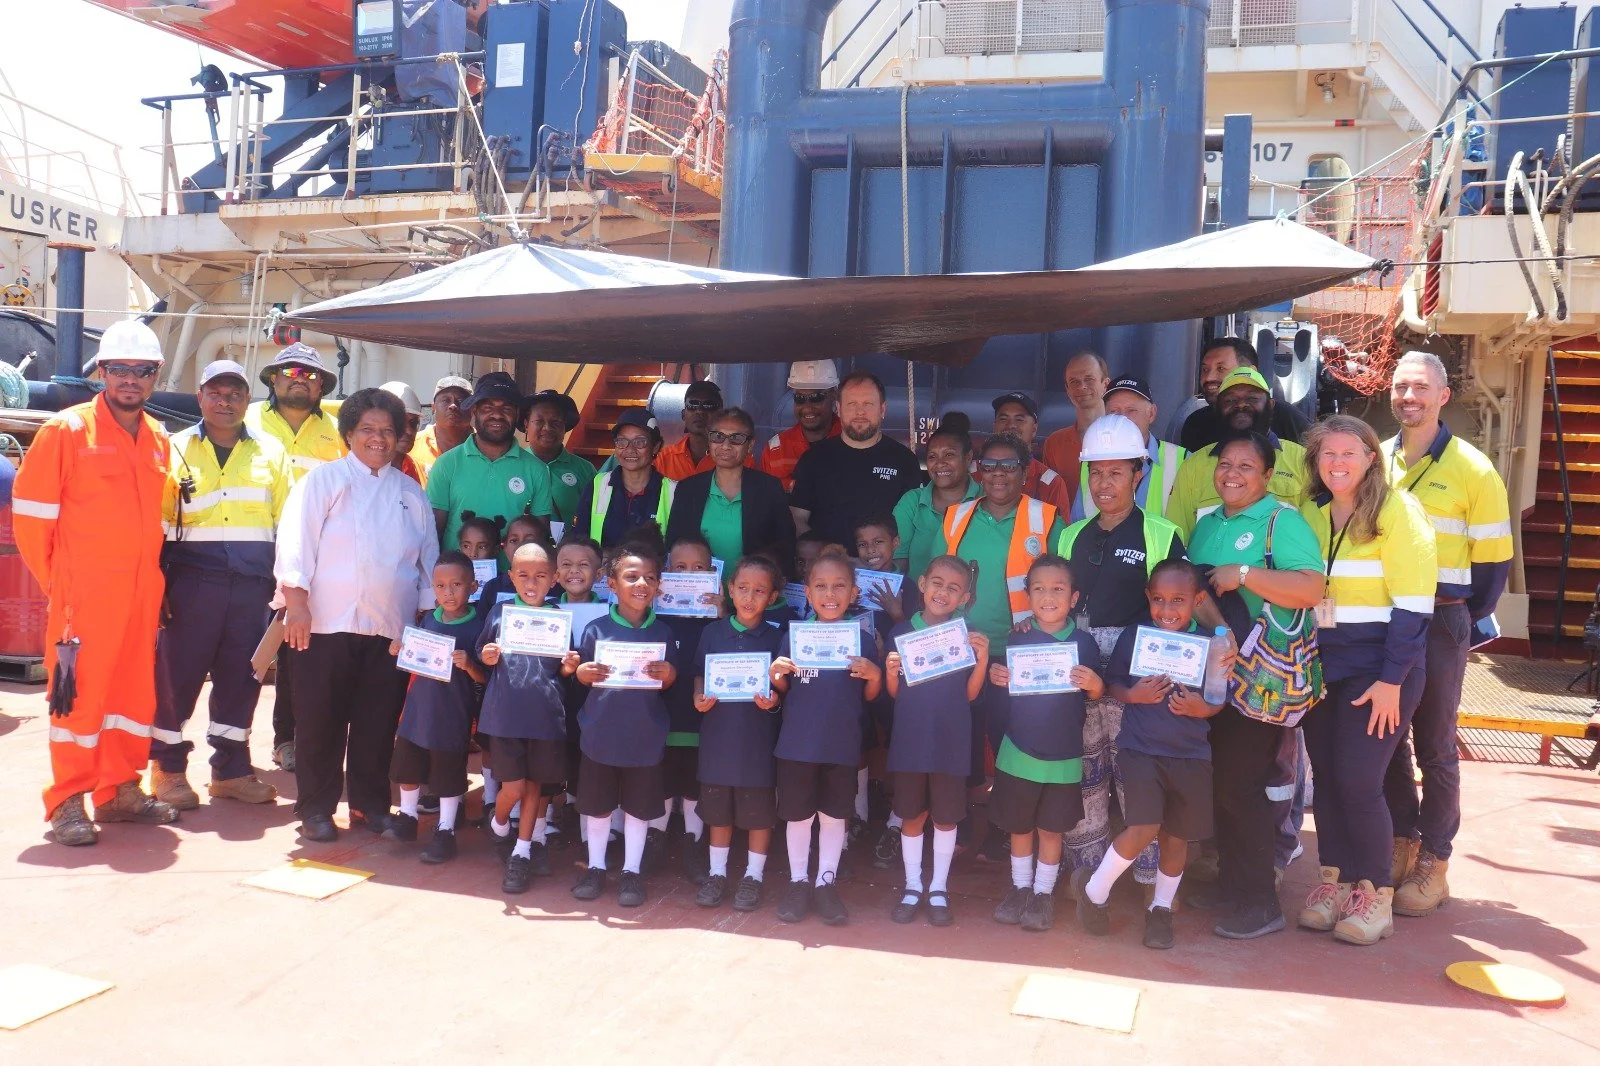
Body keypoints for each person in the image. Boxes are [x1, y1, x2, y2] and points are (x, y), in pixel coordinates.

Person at [13, 319, 178, 844]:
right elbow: (32, 520)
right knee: (78, 701)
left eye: (142, 371)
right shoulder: (66, 431)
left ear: (155, 377)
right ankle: (67, 800)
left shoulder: (157, 438)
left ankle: (119, 789)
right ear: (101, 372)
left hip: (139, 595)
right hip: (83, 600)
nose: (131, 379)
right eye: (120, 369)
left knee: (132, 696)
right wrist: (63, 585)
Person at [275, 388, 440, 843]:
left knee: (377, 721)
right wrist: (297, 602)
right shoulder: (322, 482)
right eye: (367, 429)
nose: (378, 438)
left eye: (388, 431)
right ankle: (316, 809)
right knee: (319, 721)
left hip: (390, 628)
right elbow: (295, 544)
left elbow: (428, 561)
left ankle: (370, 806)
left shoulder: (411, 493)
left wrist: (425, 619)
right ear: (348, 432)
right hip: (323, 625)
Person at [1297, 415, 1437, 947]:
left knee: (1359, 780)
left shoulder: (1399, 512)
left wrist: (1392, 680)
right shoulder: (1310, 513)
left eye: (1348, 453)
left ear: (1371, 458)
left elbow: (1414, 606)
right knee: (1328, 779)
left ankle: (1375, 894)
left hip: (1379, 671)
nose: (1337, 463)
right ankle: (1333, 880)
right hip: (1323, 668)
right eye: (1327, 454)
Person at [1380, 351, 1512, 916]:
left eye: (1419, 389)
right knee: (1385, 739)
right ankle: (1402, 840)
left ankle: (1434, 859)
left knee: (1434, 744)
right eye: (1400, 388)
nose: (1408, 398)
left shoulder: (1473, 470)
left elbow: (1493, 566)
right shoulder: (1375, 459)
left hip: (1439, 620)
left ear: (1442, 397)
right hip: (1382, 621)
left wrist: (1456, 613)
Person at [1186, 432, 1325, 939]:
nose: (1232, 473)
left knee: (1243, 787)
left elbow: (1312, 588)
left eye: (1246, 466)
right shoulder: (1207, 525)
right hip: (1215, 672)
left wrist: (1243, 573)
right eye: (1225, 463)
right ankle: (1231, 884)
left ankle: (1259, 901)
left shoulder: (1280, 522)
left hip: (1260, 677)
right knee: (1222, 782)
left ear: (1267, 476)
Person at [150, 358, 289, 810]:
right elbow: (157, 525)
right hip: (191, 584)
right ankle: (167, 770)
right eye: (216, 392)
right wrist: (158, 588)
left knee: (242, 679)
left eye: (235, 394)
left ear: (249, 401)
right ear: (200, 398)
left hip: (253, 588)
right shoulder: (174, 449)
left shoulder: (271, 452)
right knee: (177, 679)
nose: (225, 401)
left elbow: (287, 527)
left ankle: (229, 771)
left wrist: (285, 590)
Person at [1055, 414, 1186, 880]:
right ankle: (1087, 870)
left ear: (1139, 473)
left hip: (1138, 670)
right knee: (1086, 773)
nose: (1103, 483)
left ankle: (1147, 875)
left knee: (1137, 773)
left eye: (1115, 472)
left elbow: (1176, 610)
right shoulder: (1071, 535)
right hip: (1081, 666)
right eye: (1096, 471)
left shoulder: (1160, 533)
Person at [1072, 559, 1222, 950]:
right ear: (1147, 598)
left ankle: (1160, 908)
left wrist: (1202, 708)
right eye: (1158, 600)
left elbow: (1220, 698)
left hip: (1191, 754)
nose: (1167, 610)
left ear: (1198, 600)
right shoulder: (1137, 635)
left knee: (1176, 836)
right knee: (1143, 827)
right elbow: (1115, 683)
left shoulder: (1211, 643)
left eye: (1178, 601)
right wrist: (1133, 694)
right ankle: (1095, 893)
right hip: (1141, 750)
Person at [987, 555, 1104, 932]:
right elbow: (1005, 684)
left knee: (1051, 830)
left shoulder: (1084, 644)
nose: (1048, 596)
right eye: (1039, 588)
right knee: (1019, 828)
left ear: (1074, 598)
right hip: (1017, 751)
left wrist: (1093, 684)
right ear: (1027, 595)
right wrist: (998, 675)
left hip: (1063, 756)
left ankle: (1042, 894)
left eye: (1058, 589)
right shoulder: (1017, 636)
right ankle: (1020, 889)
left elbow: (1096, 693)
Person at [247, 342, 346, 775]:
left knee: (294, 653)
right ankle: (231, 749)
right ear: (273, 378)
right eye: (289, 372)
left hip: (313, 560)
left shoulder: (339, 431)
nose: (299, 380)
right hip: (252, 552)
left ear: (322, 384)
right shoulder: (248, 420)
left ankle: (286, 739)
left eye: (309, 375)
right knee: (243, 651)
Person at [564, 542, 681, 907]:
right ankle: (596, 867)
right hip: (600, 735)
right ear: (611, 584)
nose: (641, 584)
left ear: (659, 586)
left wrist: (669, 674)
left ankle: (632, 870)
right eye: (631, 577)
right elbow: (580, 674)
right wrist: (581, 672)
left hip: (644, 737)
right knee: (598, 807)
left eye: (649, 578)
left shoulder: (662, 631)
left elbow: (669, 682)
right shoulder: (596, 630)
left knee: (637, 808)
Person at [770, 554, 884, 926]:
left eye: (839, 586)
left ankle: (825, 882)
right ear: (807, 592)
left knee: (835, 816)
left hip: (841, 744)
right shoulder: (792, 636)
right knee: (798, 817)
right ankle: (799, 882)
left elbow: (869, 698)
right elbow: (784, 691)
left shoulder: (863, 640)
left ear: (853, 592)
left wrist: (875, 676)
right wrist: (776, 674)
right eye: (821, 586)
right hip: (797, 744)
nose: (830, 593)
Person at [882, 555, 989, 926]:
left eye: (954, 588)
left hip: (951, 740)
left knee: (946, 818)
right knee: (912, 815)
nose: (944, 592)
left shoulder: (965, 633)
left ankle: (938, 888)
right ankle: (913, 887)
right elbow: (895, 694)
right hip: (912, 740)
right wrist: (892, 672)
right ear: (923, 584)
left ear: (964, 598)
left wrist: (983, 660)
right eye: (937, 583)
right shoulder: (901, 632)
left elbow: (971, 696)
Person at [692, 555, 788, 911]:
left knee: (758, 812)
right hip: (718, 738)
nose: (749, 597)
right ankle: (717, 874)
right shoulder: (712, 632)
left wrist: (774, 700)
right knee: (718, 810)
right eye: (743, 588)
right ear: (729, 589)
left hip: (758, 741)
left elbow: (783, 690)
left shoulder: (778, 637)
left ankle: (753, 876)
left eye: (759, 591)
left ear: (773, 596)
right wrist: (697, 696)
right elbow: (700, 673)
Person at [478, 541, 569, 893]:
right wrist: (487, 655)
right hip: (505, 716)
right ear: (511, 577)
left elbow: (562, 667)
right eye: (524, 575)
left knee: (535, 788)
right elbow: (483, 654)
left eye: (541, 576)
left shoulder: (559, 615)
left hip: (545, 716)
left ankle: (522, 851)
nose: (532, 583)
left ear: (554, 579)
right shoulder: (500, 612)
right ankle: (499, 824)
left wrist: (569, 666)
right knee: (513, 787)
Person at [385, 551, 487, 865]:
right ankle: (407, 816)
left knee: (447, 774)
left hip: (451, 714)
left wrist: (469, 665)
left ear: (473, 585)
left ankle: (445, 831)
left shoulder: (479, 626)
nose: (448, 592)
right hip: (416, 710)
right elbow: (414, 659)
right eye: (440, 586)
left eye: (456, 584)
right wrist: (399, 649)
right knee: (408, 767)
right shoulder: (428, 619)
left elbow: (485, 676)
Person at [938, 432, 1067, 648]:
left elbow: (1065, 585)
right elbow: (937, 576)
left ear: (1024, 473)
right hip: (961, 643)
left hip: (1025, 643)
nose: (998, 472)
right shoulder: (955, 517)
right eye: (989, 465)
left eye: (1009, 465)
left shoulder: (1048, 519)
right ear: (981, 472)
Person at [1166, 366, 1309, 538]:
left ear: (1271, 405)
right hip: (1208, 564)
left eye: (1252, 398)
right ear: (1217, 409)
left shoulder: (1302, 460)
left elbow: (1314, 534)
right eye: (1230, 401)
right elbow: (1177, 536)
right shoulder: (1194, 465)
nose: (1241, 404)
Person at [790, 371, 924, 548]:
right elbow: (796, 518)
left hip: (881, 572)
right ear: (838, 408)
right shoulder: (814, 459)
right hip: (828, 570)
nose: (860, 412)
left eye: (868, 404)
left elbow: (912, 526)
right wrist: (824, 555)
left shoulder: (904, 461)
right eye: (852, 404)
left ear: (882, 409)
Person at [427, 371, 553, 551]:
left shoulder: (537, 469)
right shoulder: (446, 464)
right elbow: (432, 535)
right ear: (474, 412)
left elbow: (541, 537)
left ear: (517, 414)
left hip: (514, 577)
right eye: (488, 408)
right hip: (460, 576)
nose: (497, 415)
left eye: (507, 409)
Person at [657, 535, 721, 884]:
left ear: (713, 573)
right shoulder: (655, 616)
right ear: (666, 574)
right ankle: (655, 842)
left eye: (699, 569)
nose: (690, 575)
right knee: (663, 781)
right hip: (663, 720)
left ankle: (693, 845)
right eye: (680, 568)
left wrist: (723, 611)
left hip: (702, 722)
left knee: (696, 784)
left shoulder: (717, 623)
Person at [666, 406, 796, 571]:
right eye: (718, 437)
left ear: (750, 446)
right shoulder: (688, 488)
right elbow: (673, 545)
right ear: (709, 440)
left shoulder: (769, 488)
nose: (725, 445)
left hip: (752, 593)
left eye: (736, 438)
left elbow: (785, 545)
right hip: (699, 594)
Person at [1073, 377, 1185, 520]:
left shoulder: (1182, 460)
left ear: (1151, 414)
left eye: (1131, 410)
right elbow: (1079, 521)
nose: (1122, 418)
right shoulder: (1090, 461)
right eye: (1114, 411)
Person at [1179, 337, 1310, 453]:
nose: (1208, 378)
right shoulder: (1195, 424)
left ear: (1250, 371)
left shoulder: (1288, 419)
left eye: (1221, 368)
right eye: (1205, 370)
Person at [892, 413, 980, 584]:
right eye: (932, 456)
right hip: (919, 604)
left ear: (968, 457)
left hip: (972, 606)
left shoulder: (985, 501)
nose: (939, 463)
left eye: (949, 455)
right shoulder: (912, 502)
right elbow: (898, 561)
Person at [574, 410, 676, 548]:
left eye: (640, 442)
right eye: (622, 442)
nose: (630, 449)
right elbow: (579, 539)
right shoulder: (598, 485)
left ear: (655, 447)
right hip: (603, 569)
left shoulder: (673, 491)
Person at [758, 360, 842, 492]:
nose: (807, 407)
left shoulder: (854, 442)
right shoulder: (775, 449)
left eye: (816, 397)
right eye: (800, 398)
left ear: (834, 396)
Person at [1041, 350, 1110, 492]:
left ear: (1106, 384)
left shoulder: (1125, 436)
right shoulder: (1054, 443)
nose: (1082, 386)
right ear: (1067, 390)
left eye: (1089, 379)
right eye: (1074, 381)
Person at [991, 392, 1071, 516]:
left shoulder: (1051, 483)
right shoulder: (973, 473)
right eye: (1003, 418)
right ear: (994, 426)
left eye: (1019, 419)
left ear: (1034, 429)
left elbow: (1059, 534)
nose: (1011, 425)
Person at [525, 389, 596, 525]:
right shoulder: (512, 465)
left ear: (564, 427)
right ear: (526, 424)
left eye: (555, 422)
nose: (547, 428)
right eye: (539, 421)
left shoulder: (585, 470)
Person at [656, 379, 744, 480]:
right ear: (683, 414)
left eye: (708, 405)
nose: (699, 411)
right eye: (692, 404)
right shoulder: (663, 460)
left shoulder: (740, 459)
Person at [411, 374, 472, 483]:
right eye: (445, 400)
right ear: (433, 407)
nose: (453, 405)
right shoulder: (412, 445)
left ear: (473, 409)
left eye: (461, 400)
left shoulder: (484, 448)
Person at [380, 381, 425, 483]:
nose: (408, 431)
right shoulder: (351, 474)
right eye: (399, 422)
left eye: (413, 423)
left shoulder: (421, 472)